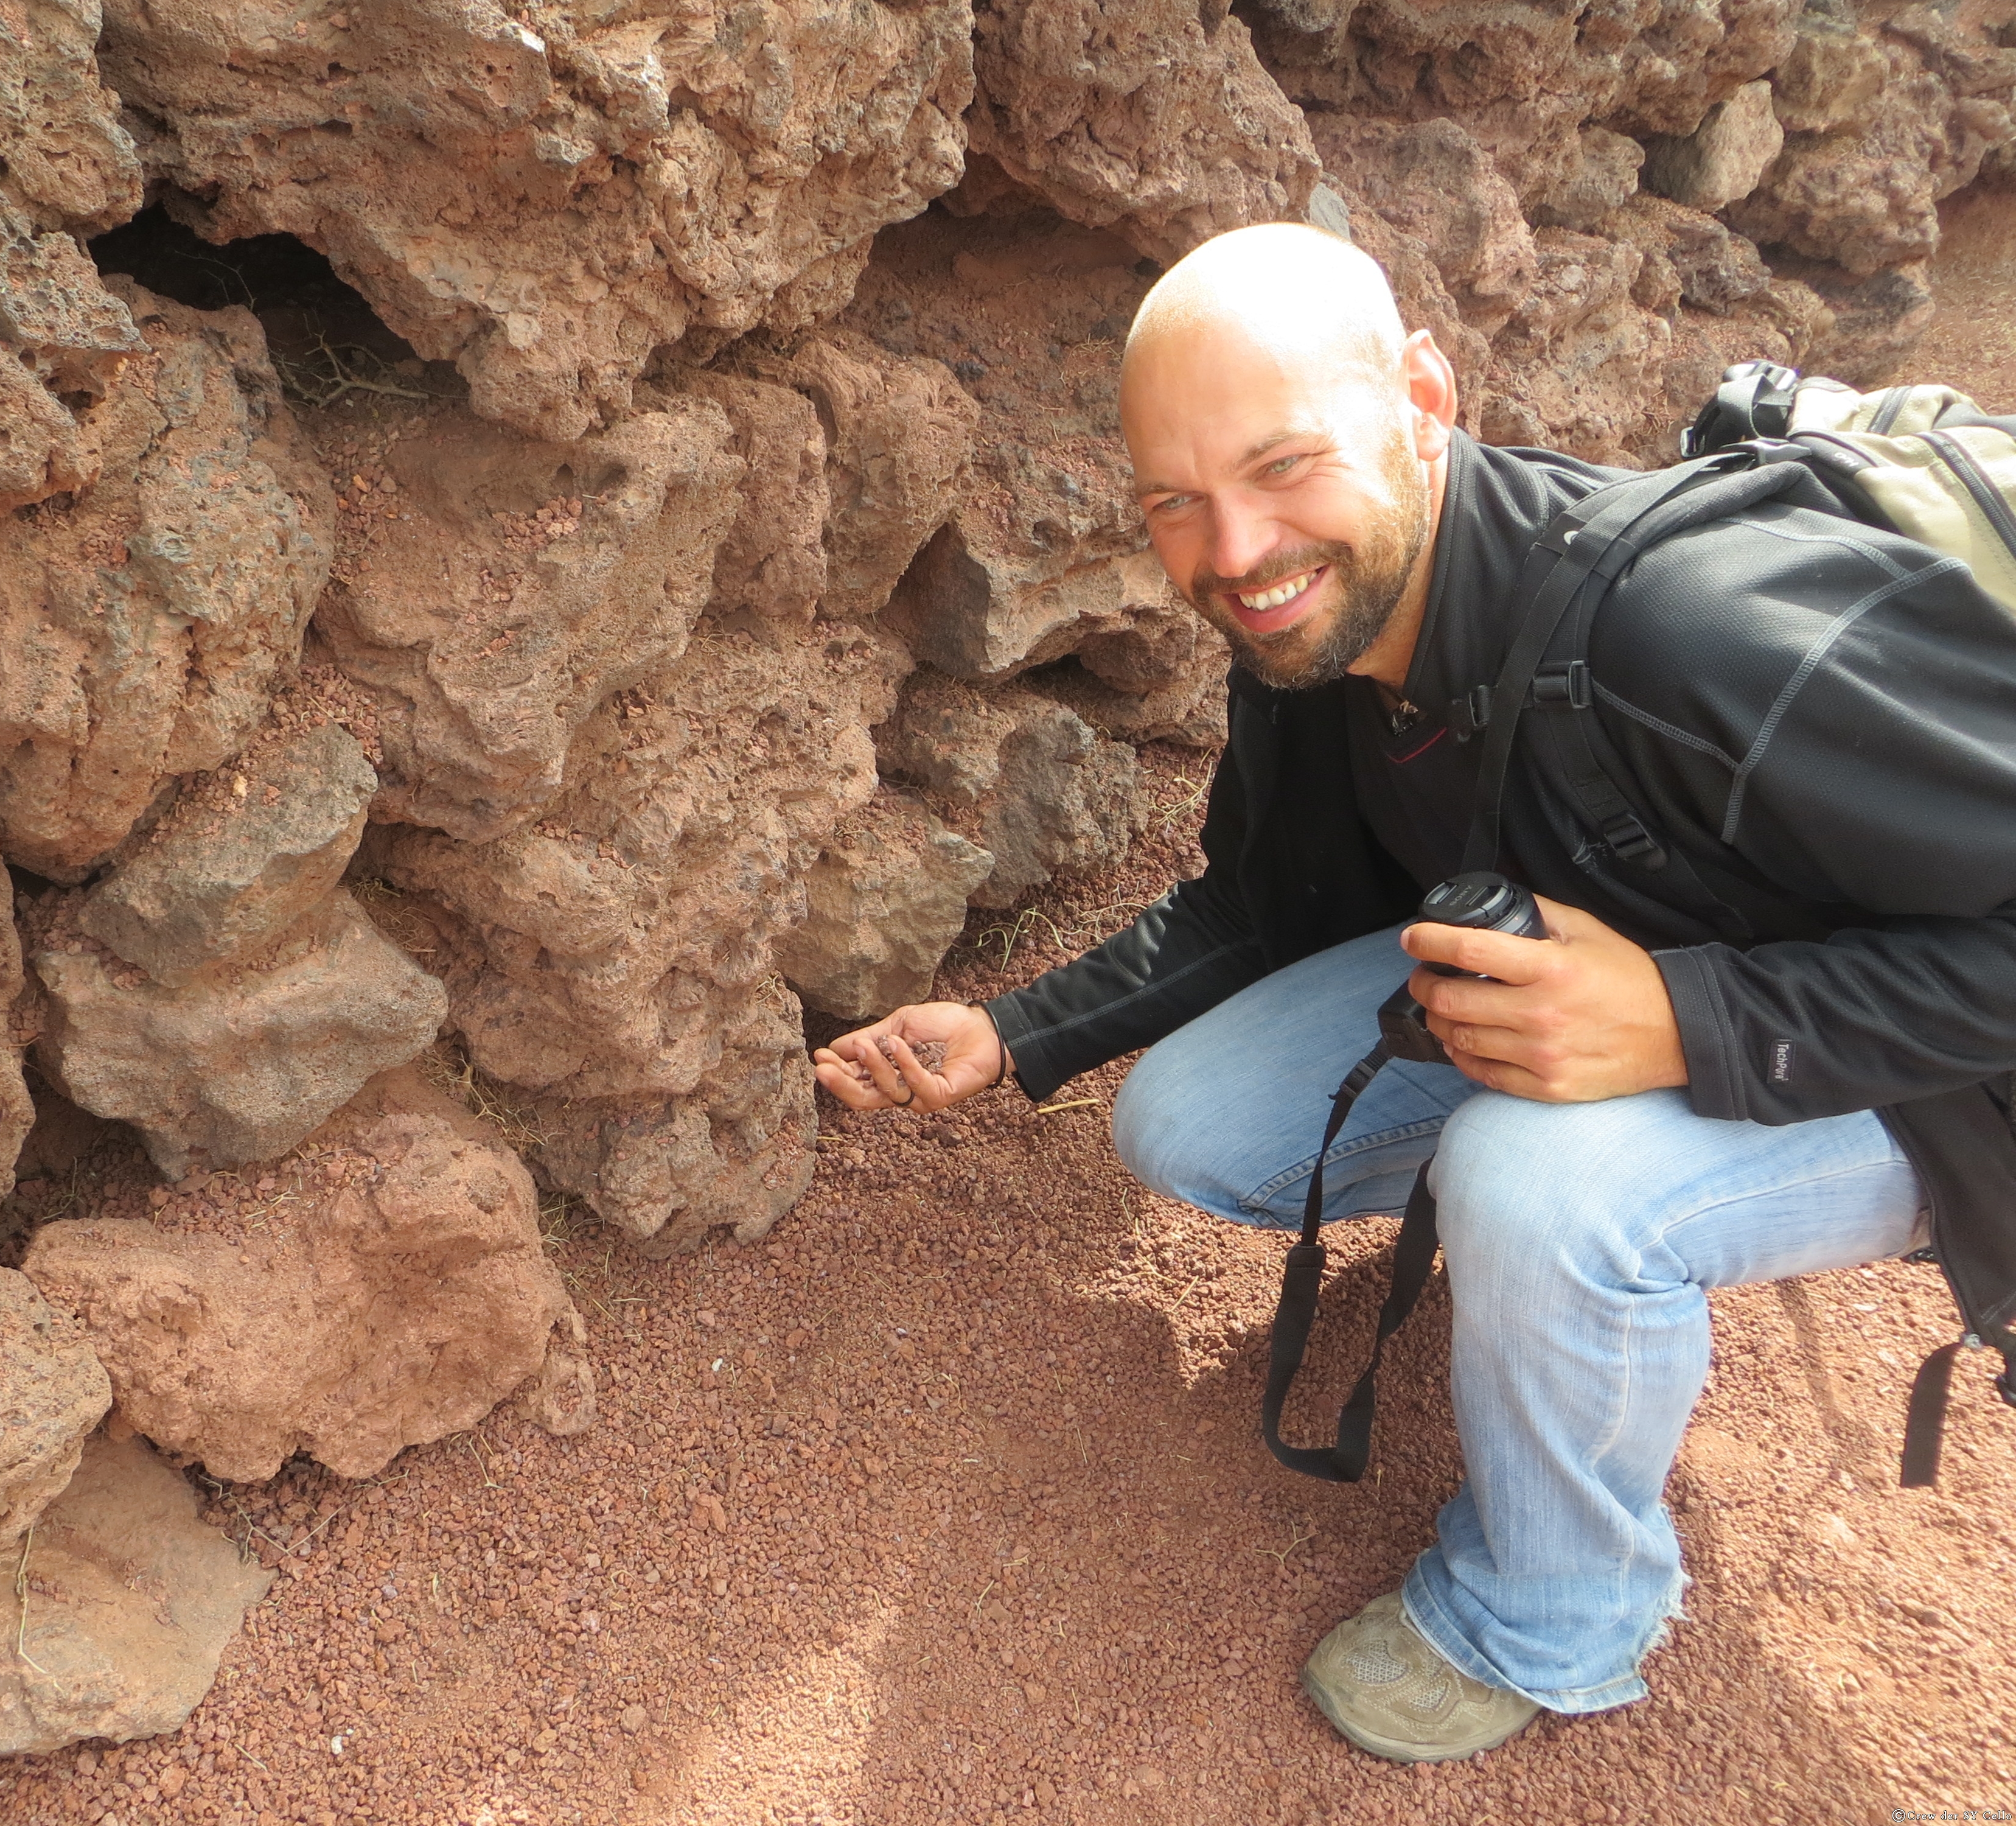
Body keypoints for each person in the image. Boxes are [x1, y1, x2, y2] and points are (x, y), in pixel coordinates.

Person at [813, 222, 2016, 1763]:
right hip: (1651, 974)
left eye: (1283, 465)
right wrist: (1013, 1030)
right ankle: (1565, 1308)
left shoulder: (1687, 635)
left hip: (1939, 1073)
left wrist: (1680, 1023)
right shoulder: (1315, 638)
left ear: (1422, 398)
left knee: (1537, 1188)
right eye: (1174, 502)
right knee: (1194, 1121)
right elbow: (1257, 907)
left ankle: (1558, 1614)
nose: (1232, 552)